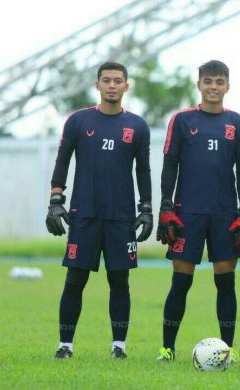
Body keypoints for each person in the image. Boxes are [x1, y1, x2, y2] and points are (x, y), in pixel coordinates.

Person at [46, 61, 153, 360]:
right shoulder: (78, 121)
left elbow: (143, 170)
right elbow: (63, 159)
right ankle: (65, 345)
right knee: (75, 279)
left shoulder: (137, 126)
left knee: (119, 281)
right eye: (106, 80)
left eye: (118, 80)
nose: (112, 85)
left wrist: (146, 208)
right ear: (97, 85)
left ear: (126, 86)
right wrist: (56, 198)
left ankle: (119, 346)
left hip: (121, 218)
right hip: (84, 215)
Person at [155, 60, 240, 363]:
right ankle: (167, 349)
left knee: (226, 281)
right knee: (181, 281)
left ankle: (228, 350)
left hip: (224, 214)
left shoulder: (238, 122)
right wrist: (165, 205)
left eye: (219, 81)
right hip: (188, 213)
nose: (213, 87)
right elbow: (170, 164)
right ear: (198, 84)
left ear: (227, 86)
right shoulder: (182, 120)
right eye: (207, 81)